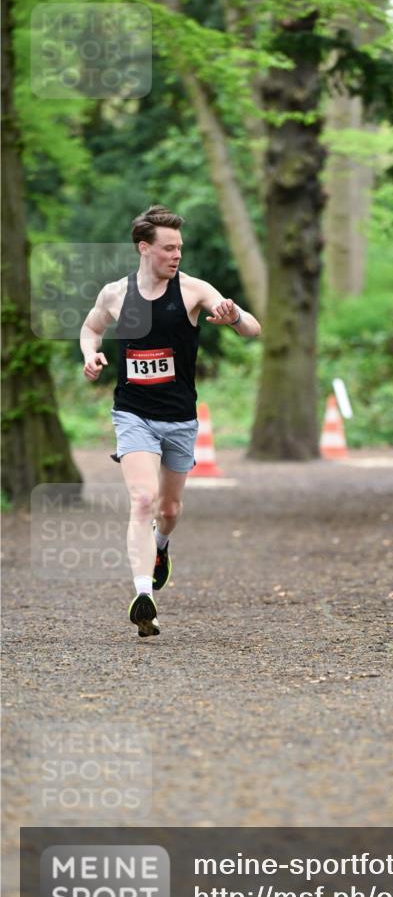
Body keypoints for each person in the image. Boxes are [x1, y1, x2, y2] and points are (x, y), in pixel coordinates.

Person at [80, 205, 261, 637]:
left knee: (170, 509)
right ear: (144, 249)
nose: (176, 255)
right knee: (142, 500)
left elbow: (252, 328)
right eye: (168, 248)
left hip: (180, 418)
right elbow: (90, 329)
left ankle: (161, 547)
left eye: (179, 247)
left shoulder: (195, 290)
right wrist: (91, 354)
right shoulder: (116, 294)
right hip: (133, 414)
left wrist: (233, 316)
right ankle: (144, 596)